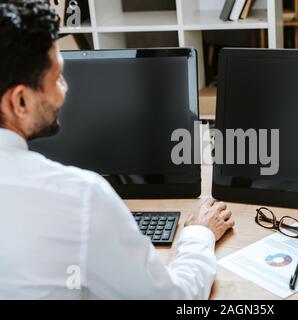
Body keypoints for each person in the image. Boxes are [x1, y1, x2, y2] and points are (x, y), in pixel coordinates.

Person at [0, 0, 234, 299]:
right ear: (19, 102)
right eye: (57, 77)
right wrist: (199, 234)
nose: (66, 89)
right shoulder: (79, 197)